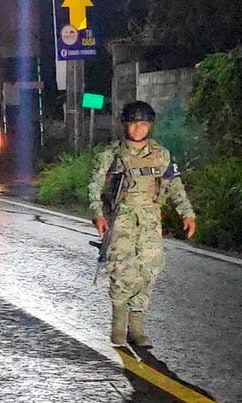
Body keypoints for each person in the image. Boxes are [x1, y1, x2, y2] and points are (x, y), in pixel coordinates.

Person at [87, 100, 196, 347]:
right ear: (125, 125)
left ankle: (136, 329)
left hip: (149, 221)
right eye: (133, 123)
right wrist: (97, 213)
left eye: (143, 124)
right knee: (122, 271)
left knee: (149, 271)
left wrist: (187, 214)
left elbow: (175, 186)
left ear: (150, 126)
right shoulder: (111, 154)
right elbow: (94, 185)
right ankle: (118, 328)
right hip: (121, 220)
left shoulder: (161, 155)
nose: (137, 129)